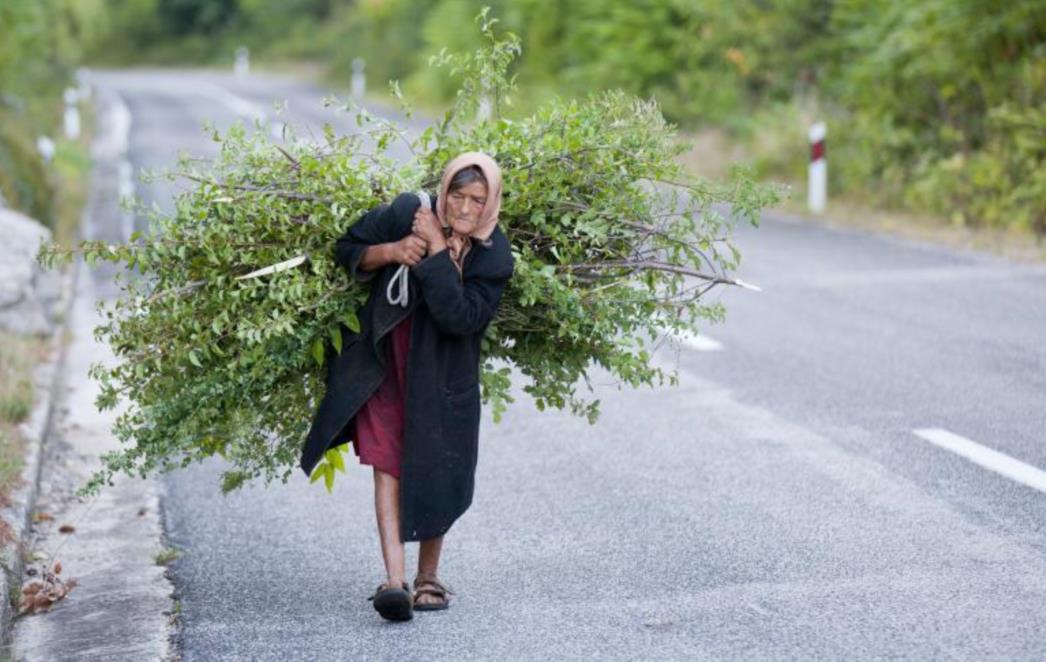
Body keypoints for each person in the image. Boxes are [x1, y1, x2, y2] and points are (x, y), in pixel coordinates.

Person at [299, 152, 514, 622]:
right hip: (384, 366)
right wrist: (394, 251)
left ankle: (428, 578)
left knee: (437, 464)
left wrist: (437, 251)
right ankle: (394, 582)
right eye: (456, 195)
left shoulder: (494, 255)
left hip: (443, 379)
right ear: (443, 191)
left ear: (490, 203)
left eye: (477, 200)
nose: (463, 208)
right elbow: (348, 247)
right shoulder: (408, 212)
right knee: (387, 462)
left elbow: (460, 318)